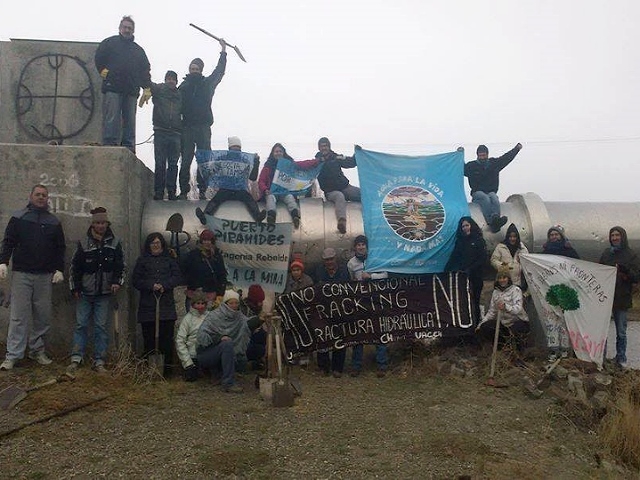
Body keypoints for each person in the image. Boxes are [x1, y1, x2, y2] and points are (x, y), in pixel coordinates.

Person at [0, 185, 66, 371]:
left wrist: (59, 270)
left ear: (47, 199)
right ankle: (13, 355)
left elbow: (59, 248)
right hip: (22, 274)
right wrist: (3, 261)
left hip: (45, 276)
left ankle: (37, 351)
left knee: (42, 317)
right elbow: (8, 241)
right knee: (18, 317)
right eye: (37, 194)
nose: (40, 197)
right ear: (30, 196)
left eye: (44, 195)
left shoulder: (53, 222)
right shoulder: (18, 218)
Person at [67, 207, 125, 373]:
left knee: (100, 327)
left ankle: (99, 360)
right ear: (93, 224)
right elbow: (74, 267)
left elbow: (121, 266)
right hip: (85, 292)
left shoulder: (114, 243)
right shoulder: (84, 243)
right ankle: (76, 357)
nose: (101, 226)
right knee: (81, 325)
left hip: (104, 294)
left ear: (107, 224)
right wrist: (75, 287)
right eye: (98, 223)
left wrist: (117, 282)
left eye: (103, 223)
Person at [178, 40, 228, 200]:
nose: (194, 71)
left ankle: (203, 190)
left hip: (204, 127)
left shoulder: (207, 84)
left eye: (196, 69)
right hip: (187, 128)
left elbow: (219, 71)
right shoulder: (183, 87)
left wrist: (223, 51)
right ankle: (183, 191)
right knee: (185, 160)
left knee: (204, 160)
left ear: (201, 70)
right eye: (191, 69)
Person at [94, 15, 151, 153]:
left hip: (131, 91)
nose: (127, 30)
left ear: (133, 31)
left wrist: (147, 88)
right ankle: (109, 145)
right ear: (120, 28)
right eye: (125, 27)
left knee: (130, 121)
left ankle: (129, 148)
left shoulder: (138, 51)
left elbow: (145, 70)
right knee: (111, 117)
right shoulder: (109, 43)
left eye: (130, 28)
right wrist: (102, 70)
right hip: (112, 87)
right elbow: (98, 57)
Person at [132, 232, 182, 372]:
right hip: (148, 306)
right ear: (148, 245)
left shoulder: (169, 260)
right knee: (149, 339)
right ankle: (149, 369)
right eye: (153, 243)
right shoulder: (142, 260)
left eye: (158, 243)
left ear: (162, 244)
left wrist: (164, 285)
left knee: (166, 339)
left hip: (165, 306)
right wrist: (151, 285)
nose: (155, 245)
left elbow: (177, 277)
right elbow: (136, 280)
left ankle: (167, 370)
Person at [195, 136, 266, 224]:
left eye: (238, 148)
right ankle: (205, 216)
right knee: (216, 200)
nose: (236, 150)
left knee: (249, 199)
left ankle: (258, 216)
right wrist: (202, 160)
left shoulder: (244, 161)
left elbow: (253, 177)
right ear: (229, 148)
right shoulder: (222, 159)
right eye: (234, 148)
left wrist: (256, 162)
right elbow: (211, 171)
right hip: (226, 189)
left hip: (240, 190)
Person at [347, 235, 389, 378]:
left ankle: (381, 365)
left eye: (363, 244)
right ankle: (356, 366)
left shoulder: (376, 258)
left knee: (379, 331)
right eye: (358, 245)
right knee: (359, 333)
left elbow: (385, 274)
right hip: (360, 301)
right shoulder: (351, 263)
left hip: (376, 300)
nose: (361, 247)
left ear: (367, 246)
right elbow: (350, 280)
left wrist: (371, 277)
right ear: (355, 247)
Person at [599, 226, 639, 369]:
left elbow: (636, 277)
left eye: (617, 235)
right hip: (605, 297)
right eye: (612, 235)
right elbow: (598, 272)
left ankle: (621, 358)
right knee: (602, 330)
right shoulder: (606, 254)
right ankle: (600, 357)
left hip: (622, 298)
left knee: (621, 332)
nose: (614, 238)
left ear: (622, 236)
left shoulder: (631, 255)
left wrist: (626, 270)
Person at [196, 289, 250, 393]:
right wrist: (219, 338)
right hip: (205, 353)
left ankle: (218, 373)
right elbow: (201, 336)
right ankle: (228, 383)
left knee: (240, 359)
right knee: (227, 344)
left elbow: (248, 324)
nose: (234, 305)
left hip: (224, 351)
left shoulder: (238, 316)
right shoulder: (214, 316)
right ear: (225, 304)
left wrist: (261, 319)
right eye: (231, 303)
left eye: (236, 303)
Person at [258, 143, 322, 227]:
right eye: (276, 151)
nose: (278, 153)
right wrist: (265, 189)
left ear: (283, 153)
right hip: (271, 192)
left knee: (290, 198)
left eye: (280, 151)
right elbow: (261, 181)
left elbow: (302, 165)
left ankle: (295, 216)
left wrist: (316, 161)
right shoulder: (267, 167)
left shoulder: (289, 165)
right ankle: (271, 216)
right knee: (270, 199)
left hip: (284, 191)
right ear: (272, 153)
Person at [463, 143, 522, 233]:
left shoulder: (494, 163)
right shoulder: (471, 166)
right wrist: (458, 156)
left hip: (491, 191)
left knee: (494, 197)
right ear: (477, 155)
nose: (482, 157)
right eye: (480, 155)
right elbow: (460, 168)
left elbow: (506, 158)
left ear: (487, 154)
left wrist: (516, 149)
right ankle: (491, 222)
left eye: (484, 155)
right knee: (485, 198)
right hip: (477, 193)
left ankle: (496, 219)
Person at [540, 224, 579, 361]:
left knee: (564, 322)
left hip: (565, 291)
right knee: (551, 321)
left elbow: (577, 268)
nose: (554, 237)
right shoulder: (544, 252)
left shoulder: (570, 251)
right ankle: (553, 349)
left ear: (561, 235)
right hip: (550, 291)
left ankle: (565, 349)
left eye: (556, 234)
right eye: (551, 235)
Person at [312, 247, 349, 377]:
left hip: (340, 308)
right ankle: (323, 367)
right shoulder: (319, 271)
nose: (329, 262)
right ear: (323, 261)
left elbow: (347, 288)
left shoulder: (344, 270)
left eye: (331, 259)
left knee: (339, 337)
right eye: (327, 260)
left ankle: (337, 368)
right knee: (323, 336)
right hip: (323, 308)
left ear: (335, 259)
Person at [146, 70, 182, 201]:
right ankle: (159, 192)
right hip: (160, 131)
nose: (171, 81)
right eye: (169, 78)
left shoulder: (180, 94)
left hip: (176, 133)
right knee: (160, 163)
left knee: (173, 164)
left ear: (176, 82)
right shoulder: (158, 89)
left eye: (173, 79)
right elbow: (146, 82)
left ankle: (172, 192)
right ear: (165, 80)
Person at [476, 267, 530, 353]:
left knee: (515, 332)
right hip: (504, 324)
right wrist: (481, 324)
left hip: (518, 321)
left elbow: (518, 309)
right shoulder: (495, 292)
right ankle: (500, 350)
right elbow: (492, 312)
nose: (502, 280)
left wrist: (506, 306)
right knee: (485, 327)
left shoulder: (515, 290)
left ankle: (517, 352)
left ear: (508, 279)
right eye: (500, 278)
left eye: (504, 277)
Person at [445, 216, 487, 326]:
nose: (465, 228)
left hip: (476, 276)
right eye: (463, 226)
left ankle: (476, 324)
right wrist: (446, 269)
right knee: (464, 302)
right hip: (463, 277)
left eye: (467, 225)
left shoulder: (479, 240)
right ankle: (465, 325)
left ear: (471, 225)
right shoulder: (460, 241)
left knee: (475, 301)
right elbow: (454, 256)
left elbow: (483, 258)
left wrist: (471, 269)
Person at [315, 137, 360, 234]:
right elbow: (306, 173)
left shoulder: (336, 158)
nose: (324, 148)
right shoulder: (316, 162)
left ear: (329, 147)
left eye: (326, 146)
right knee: (339, 196)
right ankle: (342, 222)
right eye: (322, 146)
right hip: (331, 192)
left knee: (362, 194)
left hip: (345, 187)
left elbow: (351, 162)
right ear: (319, 148)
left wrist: (358, 154)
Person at [180, 229, 227, 310]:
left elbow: (222, 276)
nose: (207, 242)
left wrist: (220, 295)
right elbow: (183, 270)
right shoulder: (192, 255)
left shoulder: (217, 256)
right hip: (194, 295)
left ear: (213, 242)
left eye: (209, 240)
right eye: (205, 240)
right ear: (201, 241)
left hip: (211, 296)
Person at [175, 289, 208, 382]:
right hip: (192, 355)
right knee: (192, 378)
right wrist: (187, 362)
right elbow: (180, 341)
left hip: (207, 352)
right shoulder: (187, 319)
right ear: (193, 304)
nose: (200, 306)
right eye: (198, 303)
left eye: (203, 303)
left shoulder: (210, 317)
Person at [490, 223, 529, 288]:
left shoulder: (522, 248)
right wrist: (503, 266)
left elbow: (528, 263)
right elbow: (493, 260)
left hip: (518, 283)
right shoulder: (501, 247)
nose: (512, 239)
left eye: (514, 237)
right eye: (510, 237)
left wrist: (521, 263)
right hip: (504, 282)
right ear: (507, 237)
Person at [239, 284, 267, 370]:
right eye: (259, 301)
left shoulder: (257, 308)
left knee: (263, 335)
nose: (261, 303)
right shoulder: (243, 308)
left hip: (253, 333)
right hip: (243, 338)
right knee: (258, 348)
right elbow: (243, 325)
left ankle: (258, 360)